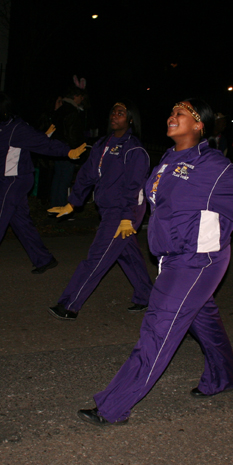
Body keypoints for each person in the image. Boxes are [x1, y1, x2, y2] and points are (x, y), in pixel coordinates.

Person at [77, 99, 233, 426]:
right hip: (173, 258)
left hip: (198, 261)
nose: (172, 117)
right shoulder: (169, 159)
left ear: (199, 125)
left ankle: (112, 407)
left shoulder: (213, 166)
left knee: (157, 329)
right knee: (203, 318)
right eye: (171, 112)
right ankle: (223, 376)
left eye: (180, 113)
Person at [0, 93, 87, 281]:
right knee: (20, 222)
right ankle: (44, 259)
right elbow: (27, 142)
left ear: (3, 110)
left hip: (13, 181)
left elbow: (43, 144)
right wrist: (41, 135)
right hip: (6, 180)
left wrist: (68, 152)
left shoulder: (16, 128)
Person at [47, 100, 153, 319]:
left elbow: (134, 187)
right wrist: (73, 202)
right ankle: (147, 296)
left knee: (96, 257)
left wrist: (127, 217)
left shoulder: (134, 149)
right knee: (127, 254)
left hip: (124, 212)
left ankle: (69, 305)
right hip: (108, 208)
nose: (114, 115)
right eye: (113, 112)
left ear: (130, 119)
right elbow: (87, 174)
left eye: (121, 113)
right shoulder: (103, 144)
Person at [49, 77, 88, 207]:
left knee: (57, 177)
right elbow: (73, 134)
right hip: (68, 149)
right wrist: (77, 149)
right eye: (80, 97)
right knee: (64, 179)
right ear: (75, 96)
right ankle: (60, 206)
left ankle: (54, 204)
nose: (82, 99)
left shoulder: (61, 109)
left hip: (57, 148)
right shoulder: (72, 112)